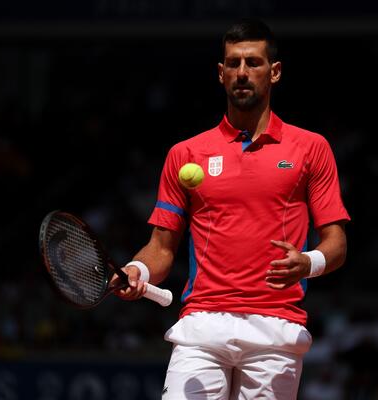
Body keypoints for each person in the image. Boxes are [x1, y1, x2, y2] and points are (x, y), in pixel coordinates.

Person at [112, 19, 350, 400]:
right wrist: (136, 270)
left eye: (253, 62)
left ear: (274, 72)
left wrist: (308, 263)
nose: (242, 72)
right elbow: (161, 247)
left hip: (276, 328)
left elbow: (336, 243)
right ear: (221, 73)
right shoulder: (186, 154)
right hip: (202, 325)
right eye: (234, 63)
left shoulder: (310, 148)